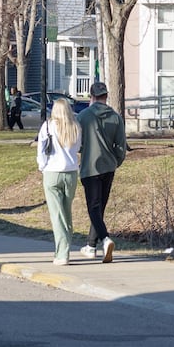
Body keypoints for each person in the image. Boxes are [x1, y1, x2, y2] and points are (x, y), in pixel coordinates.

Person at [76, 81, 126, 262]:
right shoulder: (115, 117)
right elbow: (121, 145)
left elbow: (78, 144)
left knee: (93, 208)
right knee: (99, 208)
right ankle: (90, 245)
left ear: (92, 96)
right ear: (106, 96)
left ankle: (105, 239)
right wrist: (116, 161)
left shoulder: (83, 116)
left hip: (90, 167)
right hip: (109, 167)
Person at [36, 99, 82, 265]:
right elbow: (78, 148)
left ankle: (62, 254)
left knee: (57, 215)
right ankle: (66, 246)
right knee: (66, 212)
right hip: (70, 173)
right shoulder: (75, 126)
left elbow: (41, 149)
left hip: (52, 172)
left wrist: (42, 166)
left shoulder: (48, 126)